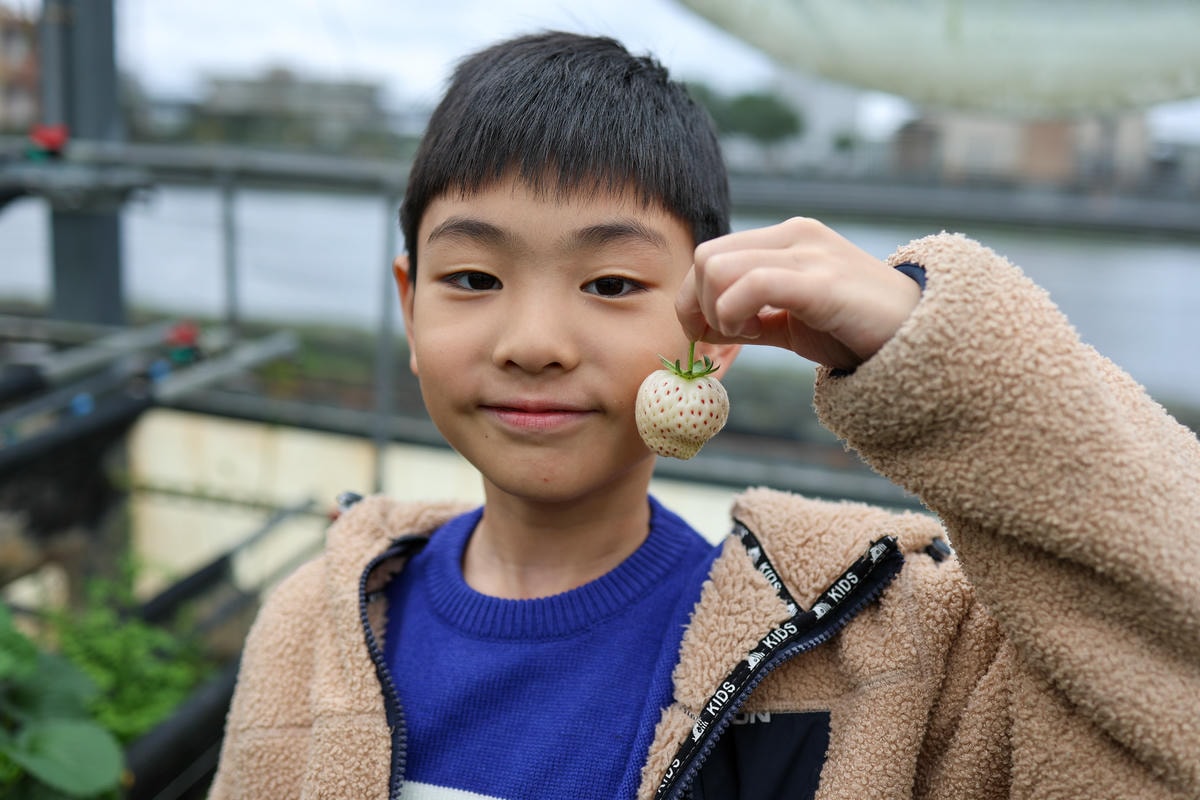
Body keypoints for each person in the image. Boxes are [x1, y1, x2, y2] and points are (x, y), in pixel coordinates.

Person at [208, 31, 1200, 800]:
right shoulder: (317, 618)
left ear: (715, 331)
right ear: (408, 304)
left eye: (609, 280)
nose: (535, 339)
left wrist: (933, 348)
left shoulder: (873, 650)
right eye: (473, 276)